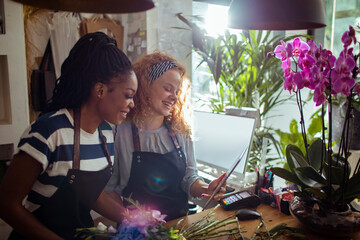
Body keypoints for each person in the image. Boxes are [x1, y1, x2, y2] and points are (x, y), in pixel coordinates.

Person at [0, 32, 137, 240]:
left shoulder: (106, 135)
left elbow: (93, 194)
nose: (132, 104)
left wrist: (139, 220)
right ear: (100, 90)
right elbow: (6, 205)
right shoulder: (49, 132)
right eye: (128, 95)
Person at [105, 51, 226, 221]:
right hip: (136, 230)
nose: (174, 97)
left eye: (177, 91)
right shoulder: (120, 131)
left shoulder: (180, 131)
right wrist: (129, 222)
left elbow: (189, 179)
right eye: (168, 89)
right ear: (145, 86)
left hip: (178, 226)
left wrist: (207, 189)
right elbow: (111, 189)